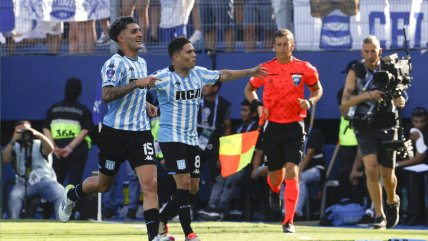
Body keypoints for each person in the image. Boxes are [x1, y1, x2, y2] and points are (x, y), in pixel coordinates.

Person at [151, 37, 266, 241]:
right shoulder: (162, 78)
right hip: (171, 139)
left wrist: (250, 72)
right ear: (176, 57)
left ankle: (162, 217)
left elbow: (225, 74)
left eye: (194, 51)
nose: (194, 54)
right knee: (184, 183)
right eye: (188, 52)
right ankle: (189, 233)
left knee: (193, 187)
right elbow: (138, 87)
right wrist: (145, 104)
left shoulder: (198, 74)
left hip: (192, 140)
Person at [57, 16, 161, 241]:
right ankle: (73, 195)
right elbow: (107, 95)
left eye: (140, 30)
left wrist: (146, 103)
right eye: (134, 31)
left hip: (141, 133)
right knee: (104, 185)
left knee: (150, 184)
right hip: (115, 134)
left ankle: (155, 237)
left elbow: (134, 93)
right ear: (121, 38)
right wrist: (137, 84)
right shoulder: (114, 63)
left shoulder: (141, 63)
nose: (140, 34)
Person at [244, 29, 323, 233]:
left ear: (292, 46)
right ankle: (274, 190)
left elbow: (317, 89)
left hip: (295, 125)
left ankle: (288, 221)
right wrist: (258, 105)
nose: (281, 48)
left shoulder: (305, 68)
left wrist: (309, 101)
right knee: (275, 176)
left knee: (292, 171)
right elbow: (249, 89)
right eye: (278, 44)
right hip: (272, 126)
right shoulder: (265, 69)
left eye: (285, 44)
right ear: (274, 46)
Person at [340, 35, 405, 229]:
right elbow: (344, 104)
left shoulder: (389, 69)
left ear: (380, 52)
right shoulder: (356, 71)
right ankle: (379, 215)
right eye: (366, 51)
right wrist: (368, 95)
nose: (370, 55)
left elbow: (400, 94)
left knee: (387, 175)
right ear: (362, 52)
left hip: (387, 124)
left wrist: (400, 101)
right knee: (370, 168)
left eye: (373, 51)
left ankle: (392, 201)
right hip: (364, 124)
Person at [198, 99, 258, 220]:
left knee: (232, 177)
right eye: (241, 110)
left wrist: (255, 169)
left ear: (254, 113)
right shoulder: (240, 127)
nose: (241, 113)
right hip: (235, 163)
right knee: (220, 177)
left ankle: (221, 208)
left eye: (245, 110)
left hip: (248, 166)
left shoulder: (257, 128)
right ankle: (212, 206)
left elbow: (257, 152)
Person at [2, 121, 64, 220]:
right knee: (14, 196)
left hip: (45, 181)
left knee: (62, 193)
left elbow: (50, 148)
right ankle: (14, 223)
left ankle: (61, 223)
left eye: (26, 131)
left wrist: (38, 134)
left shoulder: (39, 143)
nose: (23, 133)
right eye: (19, 131)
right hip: (23, 183)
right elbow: (4, 160)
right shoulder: (15, 146)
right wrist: (13, 140)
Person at [43, 77, 93, 186]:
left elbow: (46, 128)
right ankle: (71, 203)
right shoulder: (84, 110)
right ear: (80, 91)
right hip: (76, 150)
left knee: (55, 183)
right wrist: (69, 148)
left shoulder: (53, 109)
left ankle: (56, 203)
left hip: (56, 152)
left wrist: (54, 147)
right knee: (73, 183)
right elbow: (85, 131)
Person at [396, 107, 428, 225]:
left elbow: (419, 157)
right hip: (411, 167)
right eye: (416, 121)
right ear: (412, 120)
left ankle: (421, 215)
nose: (419, 125)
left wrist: (397, 164)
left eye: (422, 121)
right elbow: (401, 152)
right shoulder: (407, 129)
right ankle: (402, 213)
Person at [294, 115, 325, 220]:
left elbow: (309, 155)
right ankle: (285, 212)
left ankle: (297, 213)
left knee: (299, 180)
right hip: (301, 169)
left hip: (316, 170)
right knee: (286, 179)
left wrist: (297, 172)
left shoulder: (315, 134)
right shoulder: (296, 135)